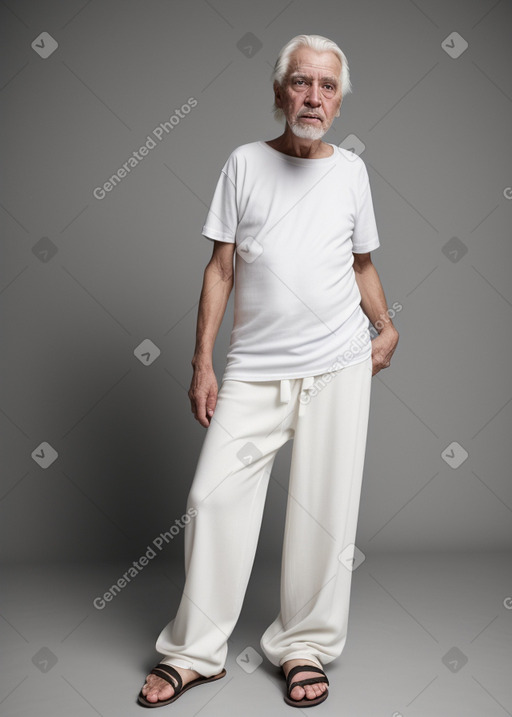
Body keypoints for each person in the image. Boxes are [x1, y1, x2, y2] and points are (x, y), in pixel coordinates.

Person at [138, 33, 399, 709]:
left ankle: (304, 645)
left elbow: (361, 264)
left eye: (327, 86)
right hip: (254, 369)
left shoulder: (351, 173)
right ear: (280, 90)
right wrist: (202, 360)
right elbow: (221, 267)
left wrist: (387, 324)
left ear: (340, 102)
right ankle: (195, 650)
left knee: (324, 515)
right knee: (211, 497)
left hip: (338, 363)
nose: (313, 96)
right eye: (301, 82)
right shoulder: (245, 164)